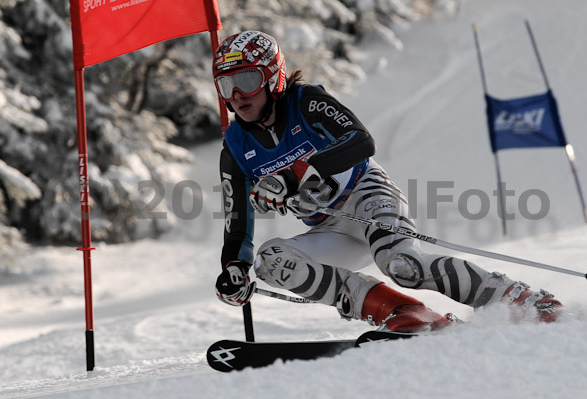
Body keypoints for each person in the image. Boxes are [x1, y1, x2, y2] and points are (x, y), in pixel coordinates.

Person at [212, 31, 562, 333]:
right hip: (330, 229)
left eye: (246, 81)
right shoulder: (236, 147)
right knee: (270, 261)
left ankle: (522, 299)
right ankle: (402, 312)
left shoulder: (306, 102)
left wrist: (290, 178)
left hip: (367, 194)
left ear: (273, 77)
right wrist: (234, 269)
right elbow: (237, 223)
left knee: (402, 265)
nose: (237, 96)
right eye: (227, 85)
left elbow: (360, 141)